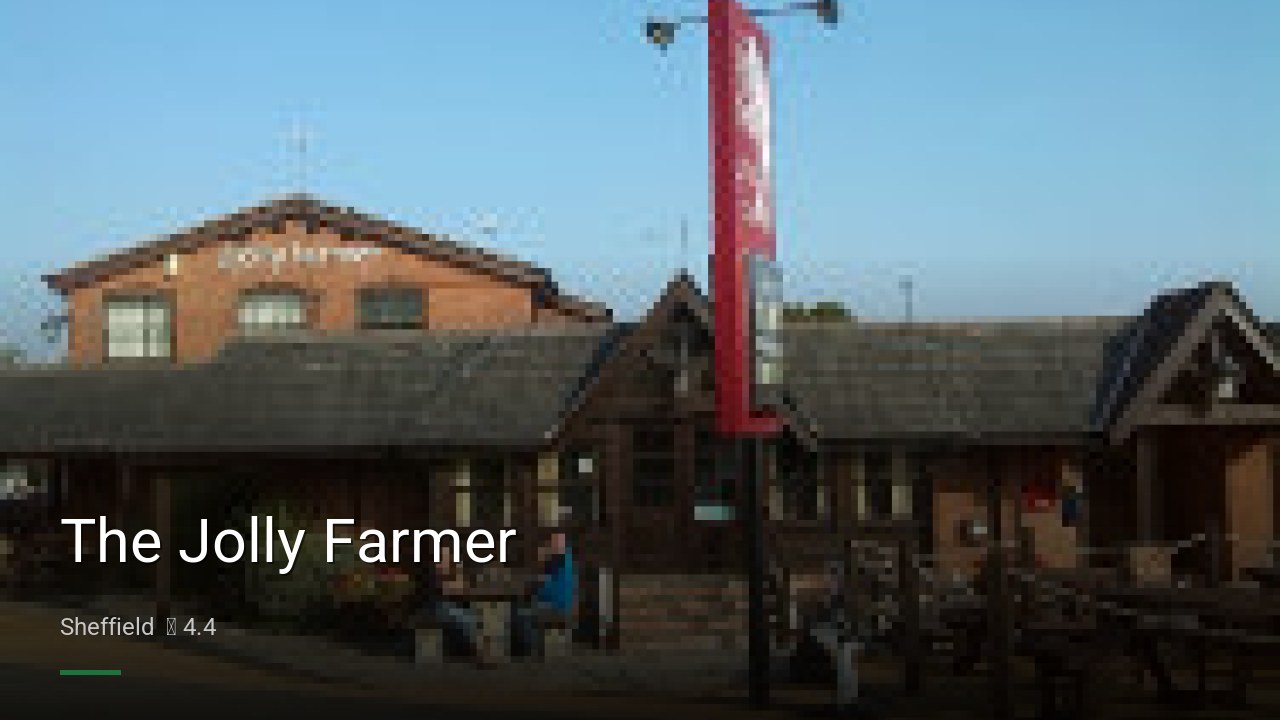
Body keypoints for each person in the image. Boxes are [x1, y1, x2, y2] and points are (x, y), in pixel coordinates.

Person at [412, 549, 488, 664]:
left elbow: (466, 591)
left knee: (478, 615)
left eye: (449, 560)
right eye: (442, 561)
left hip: (455, 606)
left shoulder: (457, 575)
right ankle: (479, 652)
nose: (444, 564)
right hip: (436, 607)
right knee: (466, 618)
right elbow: (448, 590)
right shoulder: (432, 577)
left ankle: (482, 650)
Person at [510, 532, 574, 658]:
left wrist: (535, 583)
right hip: (557, 604)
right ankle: (524, 647)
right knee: (518, 608)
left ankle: (532, 649)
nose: (549, 546)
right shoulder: (563, 561)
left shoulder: (559, 562)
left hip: (556, 607)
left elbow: (548, 588)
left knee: (520, 613)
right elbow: (544, 583)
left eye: (552, 544)